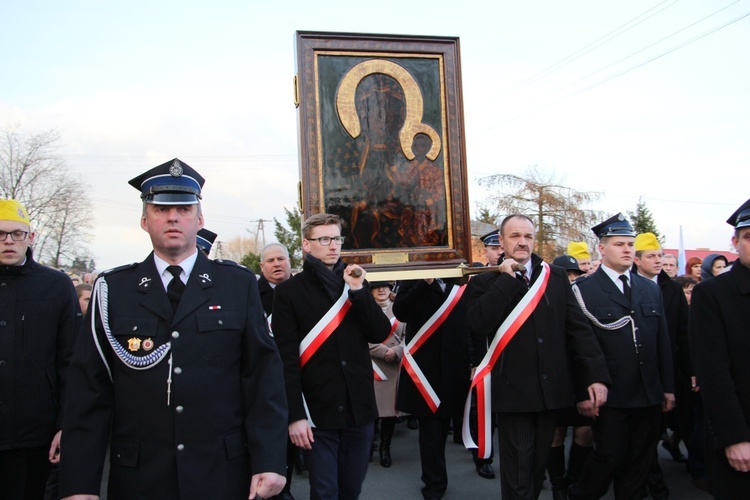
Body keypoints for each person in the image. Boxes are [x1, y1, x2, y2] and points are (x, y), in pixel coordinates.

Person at [60, 158, 288, 499]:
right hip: (141, 476)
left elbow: (262, 378)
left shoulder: (237, 285)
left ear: (200, 219)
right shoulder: (112, 290)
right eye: (160, 209)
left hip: (221, 471)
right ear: (144, 220)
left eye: (183, 208)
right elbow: (88, 393)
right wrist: (79, 485)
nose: (172, 217)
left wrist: (270, 460)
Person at [467, 214, 610, 499]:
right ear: (503, 241)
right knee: (518, 472)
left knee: (536, 470)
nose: (522, 242)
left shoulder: (553, 275)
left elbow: (577, 329)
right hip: (514, 392)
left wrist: (594, 376)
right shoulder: (486, 279)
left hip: (551, 390)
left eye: (528, 236)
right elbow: (476, 323)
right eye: (515, 236)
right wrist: (507, 280)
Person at [272, 213, 390, 499]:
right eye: (324, 239)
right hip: (316, 411)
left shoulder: (356, 282)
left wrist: (359, 291)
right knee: (325, 491)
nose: (333, 245)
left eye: (336, 238)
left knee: (351, 489)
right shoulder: (289, 292)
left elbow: (379, 332)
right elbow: (284, 359)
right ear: (307, 245)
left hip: (358, 407)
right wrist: (295, 416)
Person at [567, 214, 675, 500]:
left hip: (648, 392)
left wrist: (667, 387)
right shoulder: (582, 291)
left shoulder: (649, 288)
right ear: (602, 249)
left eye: (630, 244)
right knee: (608, 457)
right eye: (619, 244)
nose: (627, 249)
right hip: (610, 393)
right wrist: (582, 392)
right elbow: (577, 347)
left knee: (640, 463)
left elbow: (661, 341)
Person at [0, 199, 81, 500]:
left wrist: (65, 425)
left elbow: (70, 362)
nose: (9, 241)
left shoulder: (55, 287)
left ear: (31, 238)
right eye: (0, 234)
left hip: (34, 436)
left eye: (17, 233)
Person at [689, 198, 750, 498]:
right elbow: (713, 372)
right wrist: (734, 437)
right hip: (742, 436)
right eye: (749, 236)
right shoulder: (712, 294)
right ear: (735, 242)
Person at [393, 276, 472, 499]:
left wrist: (475, 360)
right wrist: (424, 283)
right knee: (431, 432)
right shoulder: (415, 280)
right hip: (424, 369)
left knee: (462, 421)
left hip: (457, 366)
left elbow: (472, 324)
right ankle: (435, 483)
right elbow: (401, 311)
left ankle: (482, 460)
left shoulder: (463, 280)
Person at [632, 232, 691, 499]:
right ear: (637, 259)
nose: (658, 261)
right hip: (634, 375)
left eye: (660, 256)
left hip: (668, 372)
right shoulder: (627, 286)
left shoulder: (672, 289)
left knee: (658, 430)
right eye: (652, 256)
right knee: (640, 436)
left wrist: (690, 370)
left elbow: (682, 332)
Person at [547, 254, 593, 499]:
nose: (572, 280)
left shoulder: (589, 300)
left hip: (582, 375)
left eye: (577, 275)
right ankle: (557, 483)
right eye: (568, 275)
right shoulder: (548, 300)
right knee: (556, 433)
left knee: (585, 431)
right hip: (557, 375)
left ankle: (574, 479)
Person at [256, 242, 296, 500]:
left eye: (281, 259)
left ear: (290, 262)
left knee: (291, 436)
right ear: (261, 267)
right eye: (270, 261)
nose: (276, 264)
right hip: (261, 375)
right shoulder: (249, 292)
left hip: (293, 372)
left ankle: (285, 490)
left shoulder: (300, 290)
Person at [368, 281, 405, 468]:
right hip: (373, 366)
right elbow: (360, 336)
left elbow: (410, 336)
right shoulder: (365, 309)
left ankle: (385, 448)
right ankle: (368, 446)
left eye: (385, 286)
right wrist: (383, 351)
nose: (381, 290)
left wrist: (397, 351)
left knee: (389, 412)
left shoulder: (400, 309)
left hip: (394, 367)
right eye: (376, 287)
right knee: (372, 410)